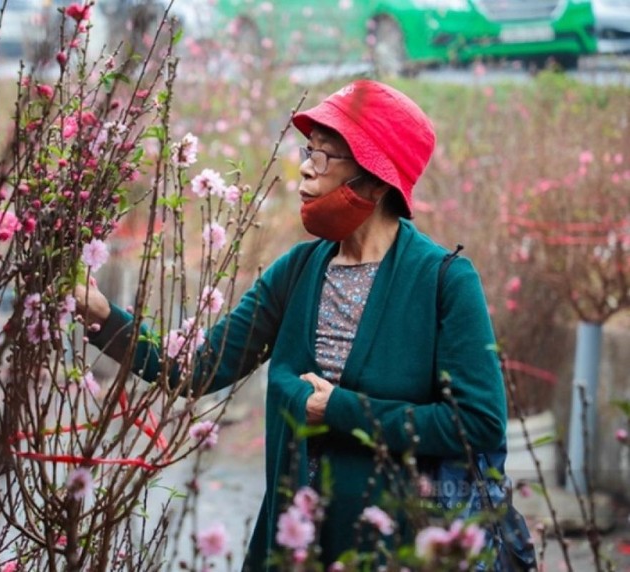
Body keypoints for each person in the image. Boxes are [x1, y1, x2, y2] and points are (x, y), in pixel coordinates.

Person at [76, 79, 507, 570]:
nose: (305, 166)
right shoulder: (298, 271)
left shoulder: (443, 282)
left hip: (396, 549)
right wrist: (103, 315)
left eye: (325, 156)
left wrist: (345, 410)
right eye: (309, 150)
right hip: (294, 547)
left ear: (378, 178)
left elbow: (479, 424)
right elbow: (198, 369)